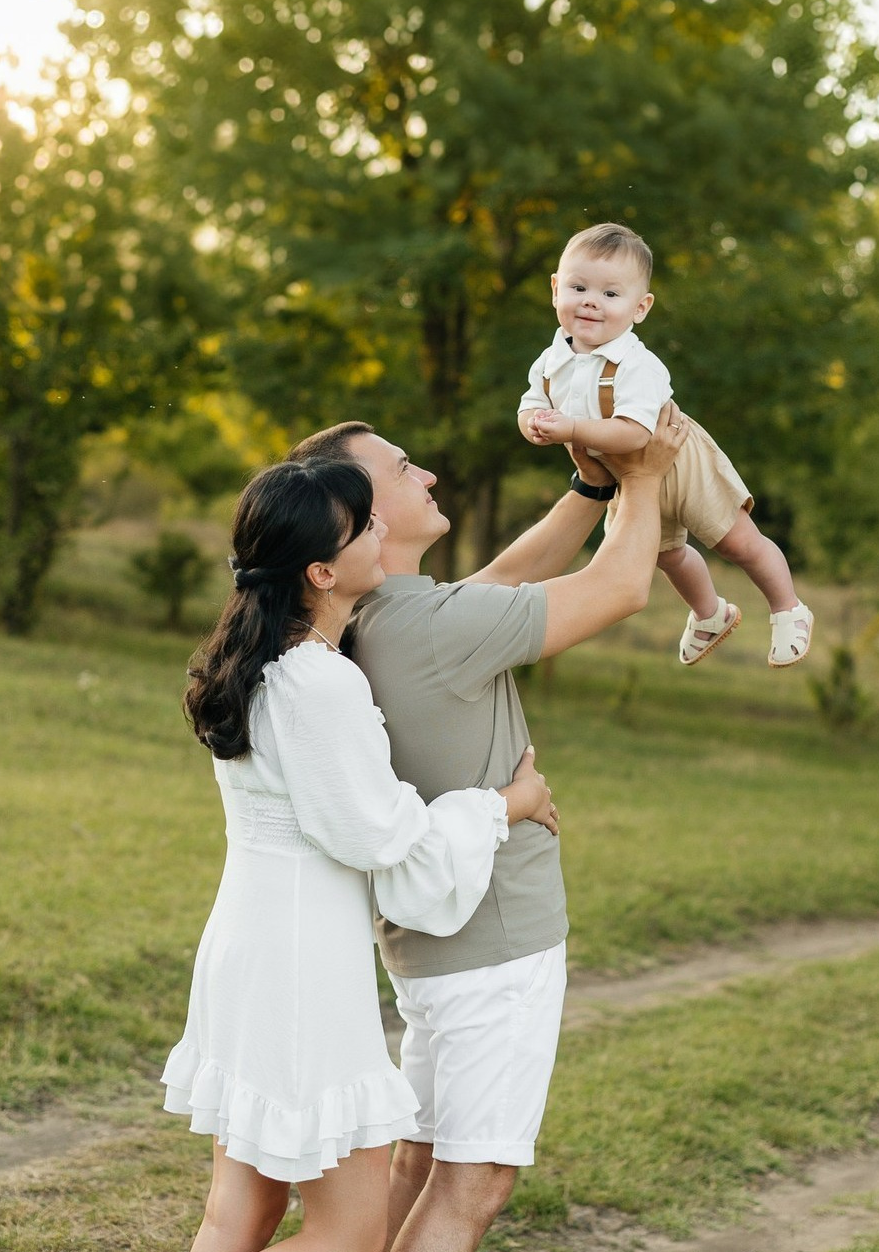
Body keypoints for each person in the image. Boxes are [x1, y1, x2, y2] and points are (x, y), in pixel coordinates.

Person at [288, 405, 690, 1252]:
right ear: (363, 513)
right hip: (496, 947)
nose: (428, 474)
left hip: (431, 943)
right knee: (475, 1182)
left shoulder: (375, 618)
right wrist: (647, 476)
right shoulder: (434, 630)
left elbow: (506, 578)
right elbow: (620, 588)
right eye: (404, 469)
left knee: (419, 1160)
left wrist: (589, 489)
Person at [161, 458, 560, 1252]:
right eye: (363, 525)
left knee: (239, 1213)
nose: (381, 528)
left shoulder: (263, 662)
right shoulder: (320, 683)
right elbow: (387, 839)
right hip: (300, 971)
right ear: (321, 571)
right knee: (347, 1234)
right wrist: (507, 804)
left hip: (247, 949)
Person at [518, 221, 813, 669]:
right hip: (628, 477)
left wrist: (572, 428)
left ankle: (788, 608)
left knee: (737, 542)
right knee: (664, 554)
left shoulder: (637, 364)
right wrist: (533, 425)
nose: (591, 301)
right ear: (556, 289)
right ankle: (710, 614)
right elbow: (531, 404)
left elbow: (636, 434)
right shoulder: (550, 361)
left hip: (678, 460)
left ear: (640, 307)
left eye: (610, 294)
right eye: (579, 288)